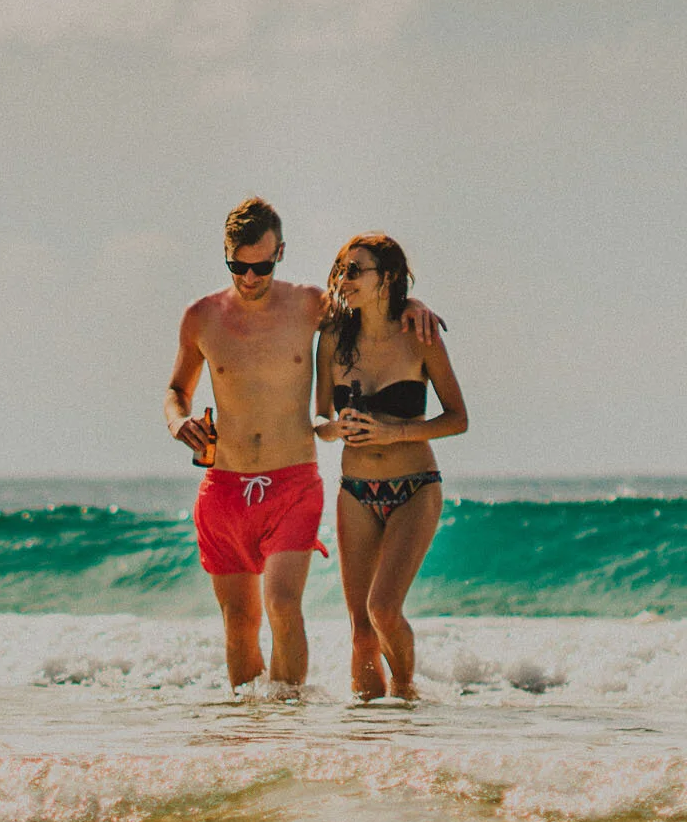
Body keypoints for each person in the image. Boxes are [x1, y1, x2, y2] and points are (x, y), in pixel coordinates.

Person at [166, 199, 439, 693]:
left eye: (262, 266)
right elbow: (176, 391)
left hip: (292, 480)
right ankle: (256, 739)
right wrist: (178, 421)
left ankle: (288, 723)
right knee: (239, 622)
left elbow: (373, 304)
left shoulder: (310, 304)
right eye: (238, 265)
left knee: (283, 602)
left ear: (281, 253)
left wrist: (413, 305)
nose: (250, 277)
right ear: (226, 255)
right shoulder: (201, 316)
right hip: (224, 486)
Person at [314, 232, 467, 701]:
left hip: (415, 487)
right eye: (341, 269)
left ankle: (405, 693)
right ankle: (372, 745)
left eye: (356, 270)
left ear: (388, 278)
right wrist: (335, 428)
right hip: (356, 491)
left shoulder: (419, 334)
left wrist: (394, 432)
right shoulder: (333, 338)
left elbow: (458, 418)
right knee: (361, 632)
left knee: (382, 609)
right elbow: (318, 417)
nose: (345, 279)